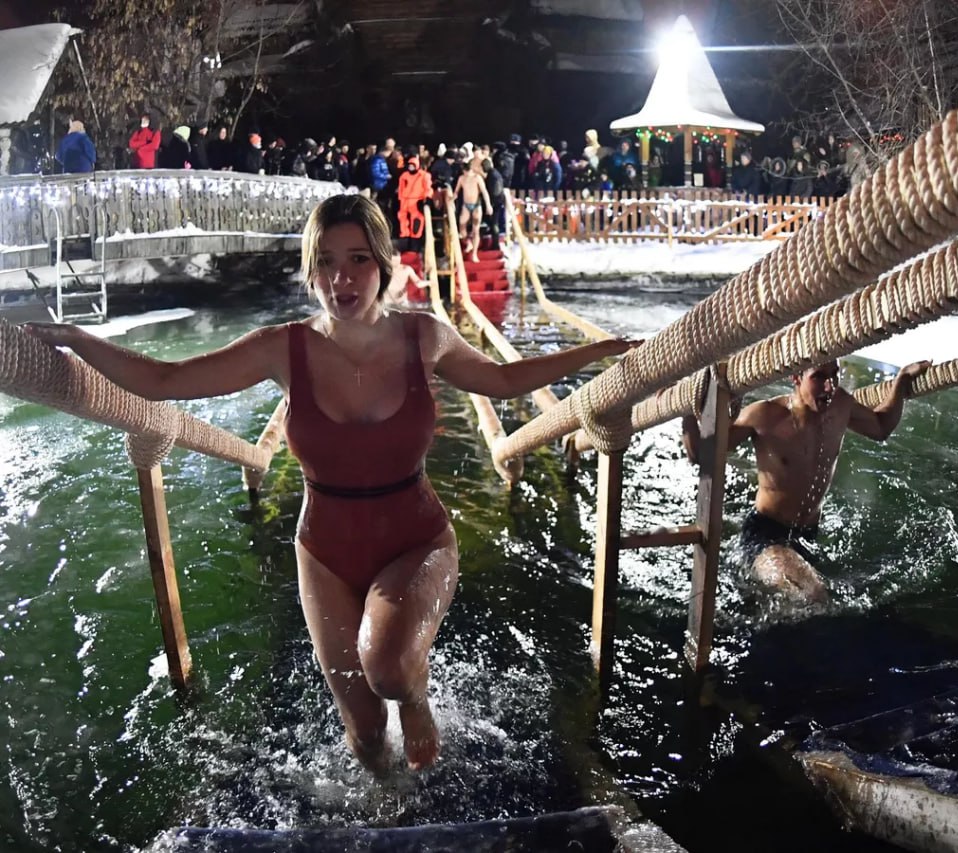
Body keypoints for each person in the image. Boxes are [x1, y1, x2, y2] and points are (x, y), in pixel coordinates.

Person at [23, 194, 636, 773]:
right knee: (364, 734)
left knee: (389, 669)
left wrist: (597, 352)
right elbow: (165, 382)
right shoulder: (282, 349)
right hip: (324, 553)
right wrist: (79, 341)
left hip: (416, 540)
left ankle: (415, 697)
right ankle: (390, 805)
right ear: (310, 272)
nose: (342, 279)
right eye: (326, 262)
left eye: (358, 260)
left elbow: (502, 381)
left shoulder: (424, 337)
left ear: (384, 264)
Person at [683, 359, 930, 603]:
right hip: (765, 535)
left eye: (834, 375)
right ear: (796, 377)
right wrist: (686, 404)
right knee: (812, 595)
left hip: (808, 536)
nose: (830, 386)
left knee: (799, 601)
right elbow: (701, 455)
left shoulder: (841, 405)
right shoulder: (765, 415)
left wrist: (901, 380)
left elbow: (880, 427)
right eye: (819, 377)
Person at [454, 155, 492, 261]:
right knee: (462, 226)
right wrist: (452, 198)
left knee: (476, 230)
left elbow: (484, 192)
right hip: (466, 205)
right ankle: (468, 242)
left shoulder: (477, 178)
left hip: (476, 205)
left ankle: (474, 253)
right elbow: (456, 191)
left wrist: (488, 205)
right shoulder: (462, 178)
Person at [396, 154, 432, 239]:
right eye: (410, 166)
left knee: (417, 219)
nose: (411, 167)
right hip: (405, 200)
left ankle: (415, 237)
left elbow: (428, 188)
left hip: (417, 200)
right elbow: (401, 188)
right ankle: (404, 235)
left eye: (413, 166)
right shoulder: (404, 176)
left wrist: (427, 198)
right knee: (402, 217)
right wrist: (400, 198)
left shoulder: (424, 175)